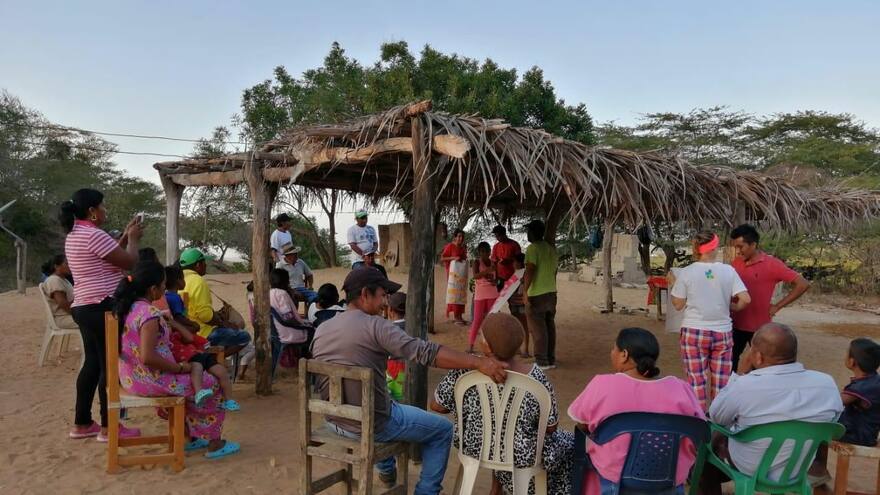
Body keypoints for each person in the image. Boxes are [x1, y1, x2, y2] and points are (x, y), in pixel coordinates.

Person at [310, 268, 508, 495]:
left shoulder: (322, 328)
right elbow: (425, 352)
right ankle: (426, 491)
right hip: (371, 425)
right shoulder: (377, 326)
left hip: (334, 420)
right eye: (382, 295)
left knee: (386, 403)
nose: (385, 302)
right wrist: (477, 362)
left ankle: (386, 469)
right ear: (365, 294)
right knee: (443, 430)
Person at [433, 313, 574, 495]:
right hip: (520, 454)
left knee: (498, 431)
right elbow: (551, 427)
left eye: (481, 336)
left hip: (476, 447)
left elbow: (437, 406)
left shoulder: (464, 370)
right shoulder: (537, 378)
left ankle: (499, 488)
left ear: (488, 347)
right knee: (570, 444)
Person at [114, 260, 240, 458]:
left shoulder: (126, 308)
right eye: (163, 285)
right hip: (151, 379)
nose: (165, 289)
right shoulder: (149, 314)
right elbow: (148, 357)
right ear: (153, 289)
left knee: (197, 382)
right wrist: (179, 368)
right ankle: (214, 443)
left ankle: (189, 436)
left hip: (131, 378)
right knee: (210, 383)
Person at [700, 323, 843, 495]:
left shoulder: (745, 385)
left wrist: (739, 374)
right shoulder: (826, 383)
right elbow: (833, 421)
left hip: (750, 465)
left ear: (758, 357)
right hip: (798, 466)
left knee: (708, 438)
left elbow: (717, 416)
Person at [568, 327, 705, 495]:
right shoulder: (682, 389)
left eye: (614, 349)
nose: (612, 353)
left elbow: (582, 425)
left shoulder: (601, 385)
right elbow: (701, 432)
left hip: (614, 482)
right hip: (669, 479)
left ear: (624, 354)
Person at [61, 188, 143, 441]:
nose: (105, 210)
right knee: (109, 365)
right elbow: (130, 263)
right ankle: (110, 428)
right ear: (92, 212)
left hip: (84, 306)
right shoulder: (95, 235)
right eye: (103, 207)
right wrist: (134, 240)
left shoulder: (75, 234)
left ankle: (82, 423)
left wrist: (124, 238)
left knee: (93, 364)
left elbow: (107, 257)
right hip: (103, 306)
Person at [671, 231, 751, 410]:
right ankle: (717, 422)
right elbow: (745, 299)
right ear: (714, 247)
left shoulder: (687, 272)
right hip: (722, 332)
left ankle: (699, 420)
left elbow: (677, 304)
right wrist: (732, 307)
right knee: (721, 382)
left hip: (693, 331)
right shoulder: (728, 271)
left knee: (696, 380)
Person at [729, 224, 811, 370]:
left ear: (753, 244)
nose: (737, 250)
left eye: (740, 246)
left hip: (760, 329)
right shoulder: (736, 263)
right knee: (729, 364)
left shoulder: (772, 264)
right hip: (734, 325)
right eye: (735, 247)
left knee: (760, 367)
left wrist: (778, 306)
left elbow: (802, 284)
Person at [163, 265, 239, 411]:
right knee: (213, 365)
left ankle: (225, 399)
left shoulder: (167, 298)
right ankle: (227, 399)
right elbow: (179, 318)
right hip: (187, 340)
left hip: (189, 341)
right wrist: (192, 325)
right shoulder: (174, 298)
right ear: (179, 281)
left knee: (210, 364)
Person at [178, 247, 252, 354]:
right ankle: (214, 359)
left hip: (185, 331)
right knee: (244, 337)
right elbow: (205, 315)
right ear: (198, 265)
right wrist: (223, 323)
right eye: (204, 262)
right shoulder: (198, 281)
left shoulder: (179, 280)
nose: (206, 265)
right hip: (202, 332)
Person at [522, 220, 559, 370]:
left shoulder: (532, 249)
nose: (527, 233)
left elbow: (530, 269)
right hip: (551, 292)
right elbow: (554, 270)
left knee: (537, 328)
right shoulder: (551, 249)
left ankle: (541, 361)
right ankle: (550, 358)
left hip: (537, 293)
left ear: (533, 232)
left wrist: (525, 291)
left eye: (529, 231)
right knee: (549, 325)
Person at [838, 338, 880, 446]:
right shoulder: (874, 379)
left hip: (858, 437)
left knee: (818, 431)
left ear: (852, 362)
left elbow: (834, 401)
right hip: (867, 434)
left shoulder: (861, 388)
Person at [269, 268, 315, 348]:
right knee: (313, 329)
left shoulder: (270, 293)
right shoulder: (282, 294)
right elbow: (288, 317)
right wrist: (301, 323)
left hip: (278, 330)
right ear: (285, 281)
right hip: (290, 333)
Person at [469, 242, 498, 353]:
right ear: (479, 252)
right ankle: (471, 345)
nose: (485, 253)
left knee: (492, 319)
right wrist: (487, 271)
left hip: (492, 294)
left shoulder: (493, 263)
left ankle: (493, 346)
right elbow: (475, 276)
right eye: (483, 251)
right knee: (477, 320)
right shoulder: (476, 262)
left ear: (490, 251)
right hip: (480, 295)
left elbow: (497, 279)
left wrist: (494, 281)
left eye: (487, 251)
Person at [440, 229, 468, 325]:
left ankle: (460, 315)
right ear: (455, 237)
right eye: (459, 236)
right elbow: (442, 258)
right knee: (455, 293)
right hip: (452, 275)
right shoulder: (450, 246)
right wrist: (453, 258)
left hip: (461, 275)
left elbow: (464, 259)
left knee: (461, 293)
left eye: (462, 237)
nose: (461, 238)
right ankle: (456, 316)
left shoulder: (462, 248)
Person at [40, 254, 76, 329]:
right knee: (93, 320)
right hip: (63, 318)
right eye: (67, 263)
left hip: (68, 315)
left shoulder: (64, 280)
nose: (70, 266)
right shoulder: (54, 280)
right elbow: (63, 304)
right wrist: (80, 314)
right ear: (56, 266)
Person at [386, 292, 407, 402]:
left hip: (393, 369)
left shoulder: (388, 330)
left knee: (394, 400)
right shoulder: (414, 328)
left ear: (390, 310)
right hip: (409, 367)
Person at [509, 253, 531, 357]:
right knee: (517, 325)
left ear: (519, 263)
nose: (513, 264)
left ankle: (525, 350)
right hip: (514, 303)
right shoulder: (515, 274)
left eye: (514, 262)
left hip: (520, 303)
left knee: (523, 325)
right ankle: (519, 348)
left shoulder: (524, 274)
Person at [491, 225, 521, 292]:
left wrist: (509, 260)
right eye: (496, 236)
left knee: (513, 297)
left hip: (513, 276)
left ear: (504, 234)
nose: (497, 238)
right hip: (500, 278)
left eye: (498, 236)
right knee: (500, 298)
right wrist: (495, 277)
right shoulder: (496, 247)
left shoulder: (514, 244)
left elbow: (520, 260)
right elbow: (494, 263)